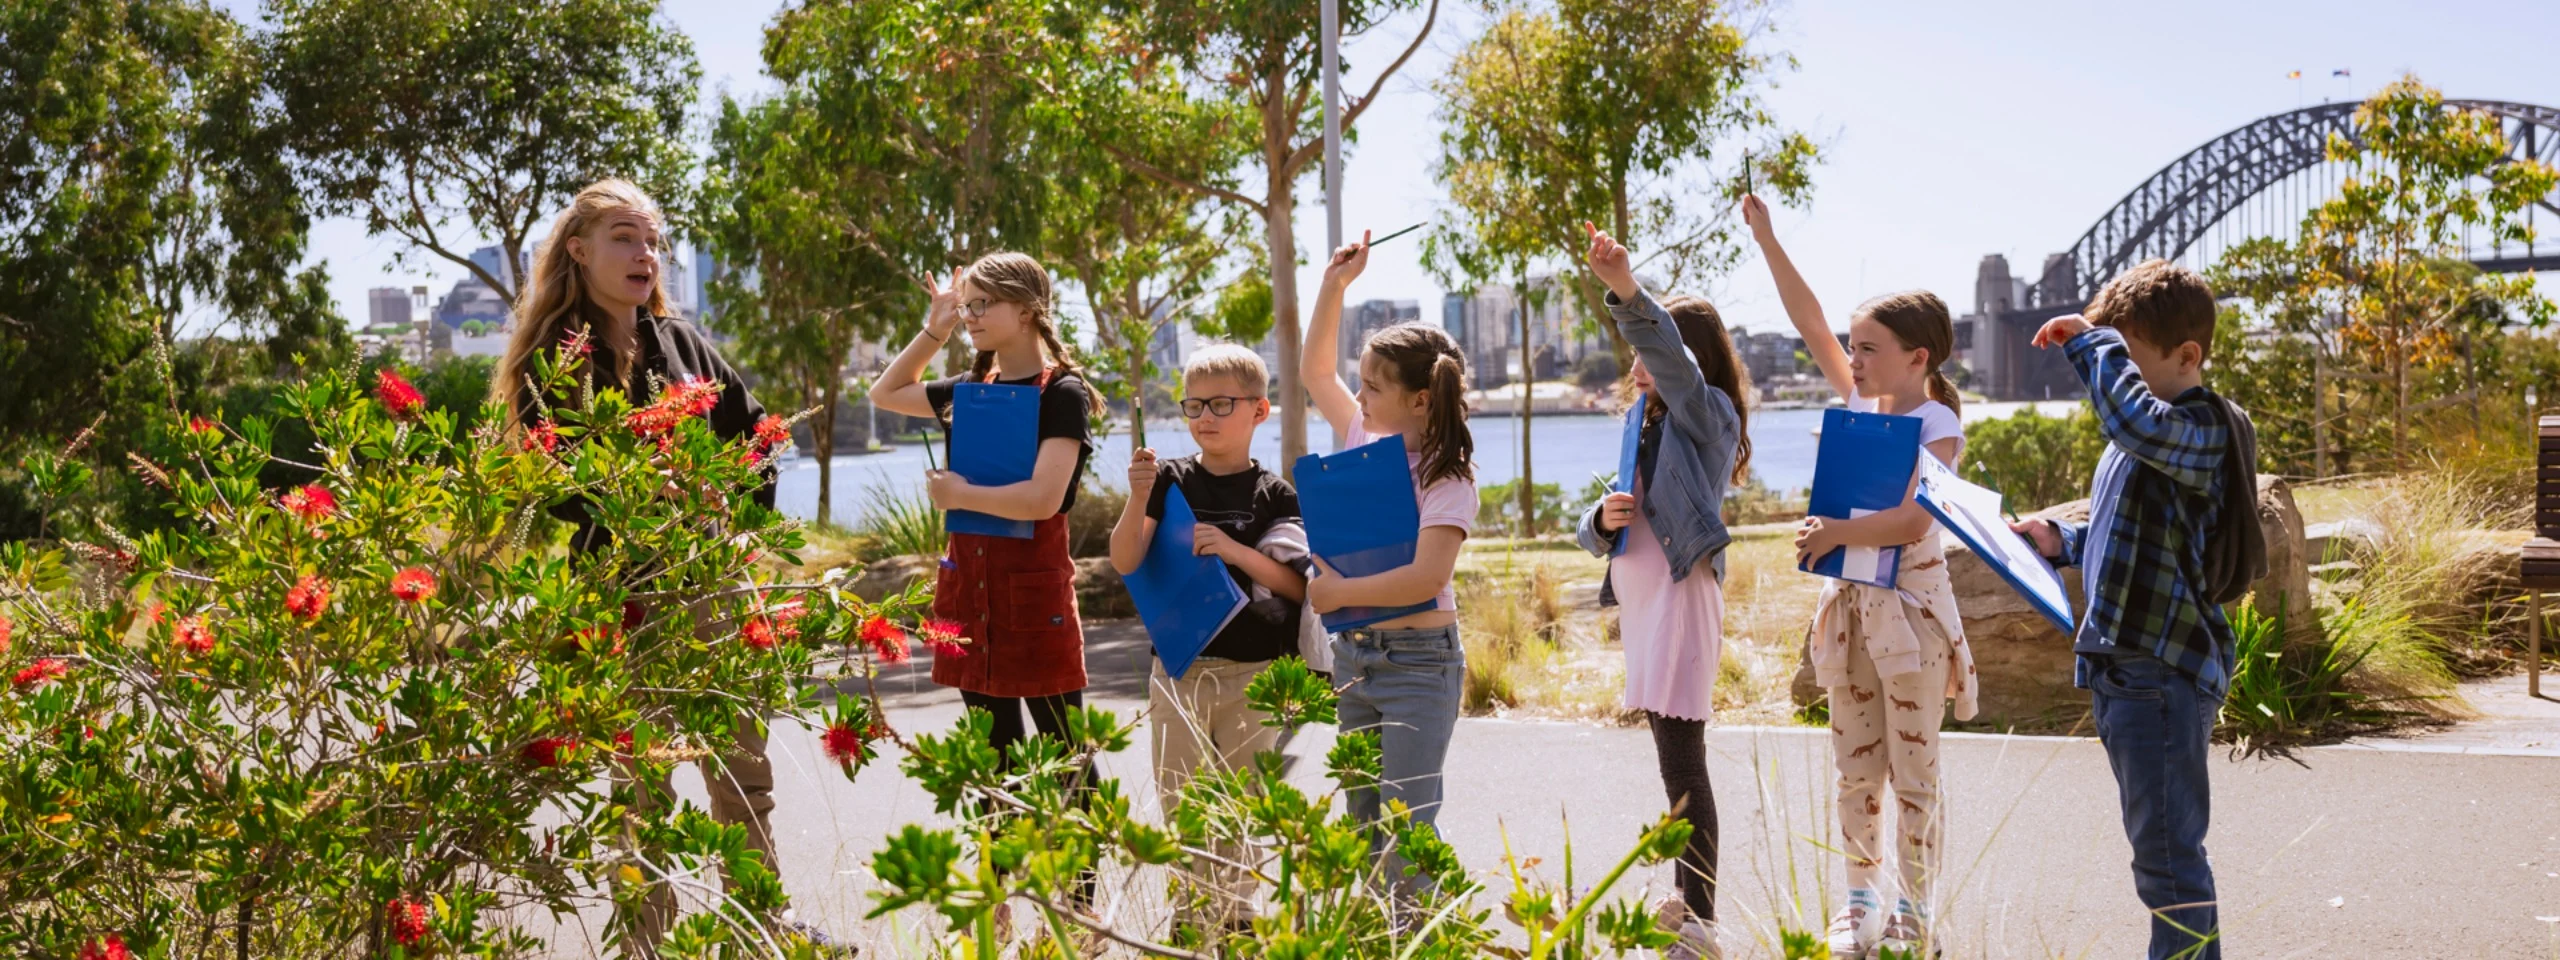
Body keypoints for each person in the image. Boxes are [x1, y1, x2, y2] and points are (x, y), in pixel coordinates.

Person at [490, 179, 842, 953]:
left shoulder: (683, 344)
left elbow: (758, 434)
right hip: (623, 599)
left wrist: (736, 509)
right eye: (624, 237)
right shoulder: (556, 358)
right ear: (578, 251)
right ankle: (646, 943)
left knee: (743, 775)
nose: (643, 254)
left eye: (651, 240)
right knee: (641, 785)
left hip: (711, 584)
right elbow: (563, 488)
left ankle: (761, 928)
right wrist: (653, 495)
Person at [1745, 194, 1980, 960]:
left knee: (1915, 772)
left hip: (1909, 619)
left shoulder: (1937, 424)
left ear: (1920, 358)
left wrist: (1836, 531)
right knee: (1853, 769)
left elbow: (1917, 520)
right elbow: (1805, 314)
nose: (1855, 357)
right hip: (1850, 612)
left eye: (1870, 346)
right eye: (1854, 345)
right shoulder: (1856, 401)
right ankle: (1857, 905)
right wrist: (1768, 238)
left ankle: (1913, 910)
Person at [2011, 260, 2252, 960]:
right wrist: (2062, 541)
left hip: (2163, 671)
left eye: (2128, 357)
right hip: (2124, 671)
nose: (2113, 376)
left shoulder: (2201, 428)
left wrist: (2092, 344)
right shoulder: (2143, 436)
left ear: (2188, 356)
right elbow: (2137, 530)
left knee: (2169, 860)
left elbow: (2136, 423)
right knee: (2157, 853)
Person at [867, 250, 1101, 921]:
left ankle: (1080, 916)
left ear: (1025, 309)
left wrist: (962, 493)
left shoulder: (1063, 392)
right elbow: (885, 393)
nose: (970, 317)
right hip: (971, 598)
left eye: (980, 306)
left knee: (1066, 762)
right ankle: (997, 909)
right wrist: (935, 328)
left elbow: (1044, 498)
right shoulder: (972, 388)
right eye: (965, 306)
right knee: (990, 760)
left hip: (1036, 602)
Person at [1574, 223, 1749, 960]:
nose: (1641, 366)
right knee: (1670, 760)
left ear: (1690, 359)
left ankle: (1703, 921)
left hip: (1679, 600)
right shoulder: (1634, 423)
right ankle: (1687, 894)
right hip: (1642, 606)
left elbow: (1674, 369)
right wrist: (1599, 519)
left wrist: (1625, 289)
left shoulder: (1706, 417)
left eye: (1659, 352)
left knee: (1684, 762)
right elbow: (1607, 525)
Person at [1109, 343, 1312, 937]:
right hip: (1179, 670)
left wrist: (1233, 551)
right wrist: (1138, 495)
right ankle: (1192, 922)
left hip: (1256, 673)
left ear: (1260, 411)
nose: (1205, 416)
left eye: (1222, 403)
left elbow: (1297, 588)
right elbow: (1126, 558)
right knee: (1183, 806)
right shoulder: (1169, 478)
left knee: (1245, 803)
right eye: (1194, 404)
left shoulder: (1277, 495)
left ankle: (1237, 921)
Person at [1300, 230, 1479, 901]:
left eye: (1373, 386)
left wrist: (1338, 591)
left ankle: (1420, 938)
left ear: (1421, 400)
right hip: (1358, 660)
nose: (1361, 395)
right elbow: (1317, 373)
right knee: (1364, 828)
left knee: (1407, 836)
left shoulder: (1447, 476)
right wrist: (1332, 287)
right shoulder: (1364, 439)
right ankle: (1382, 938)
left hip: (1418, 668)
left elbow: (1427, 578)